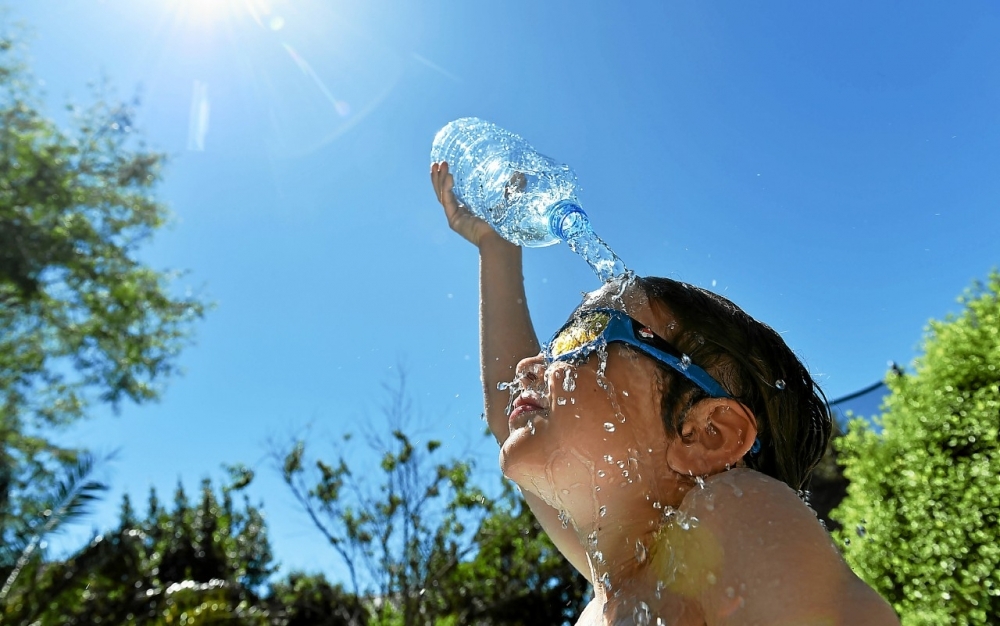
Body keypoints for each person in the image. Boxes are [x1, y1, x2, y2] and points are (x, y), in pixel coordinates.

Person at [431, 161, 900, 626]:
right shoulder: (615, 583)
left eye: (580, 339)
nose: (528, 367)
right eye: (553, 347)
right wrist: (498, 247)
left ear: (706, 434)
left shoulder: (731, 509)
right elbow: (504, 412)